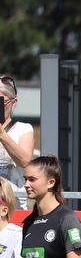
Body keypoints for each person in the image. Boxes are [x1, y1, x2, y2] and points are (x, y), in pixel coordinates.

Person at [0, 75, 35, 205]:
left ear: (13, 102)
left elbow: (24, 161)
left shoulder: (23, 129)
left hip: (14, 205)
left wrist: (2, 135)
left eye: (1, 102)